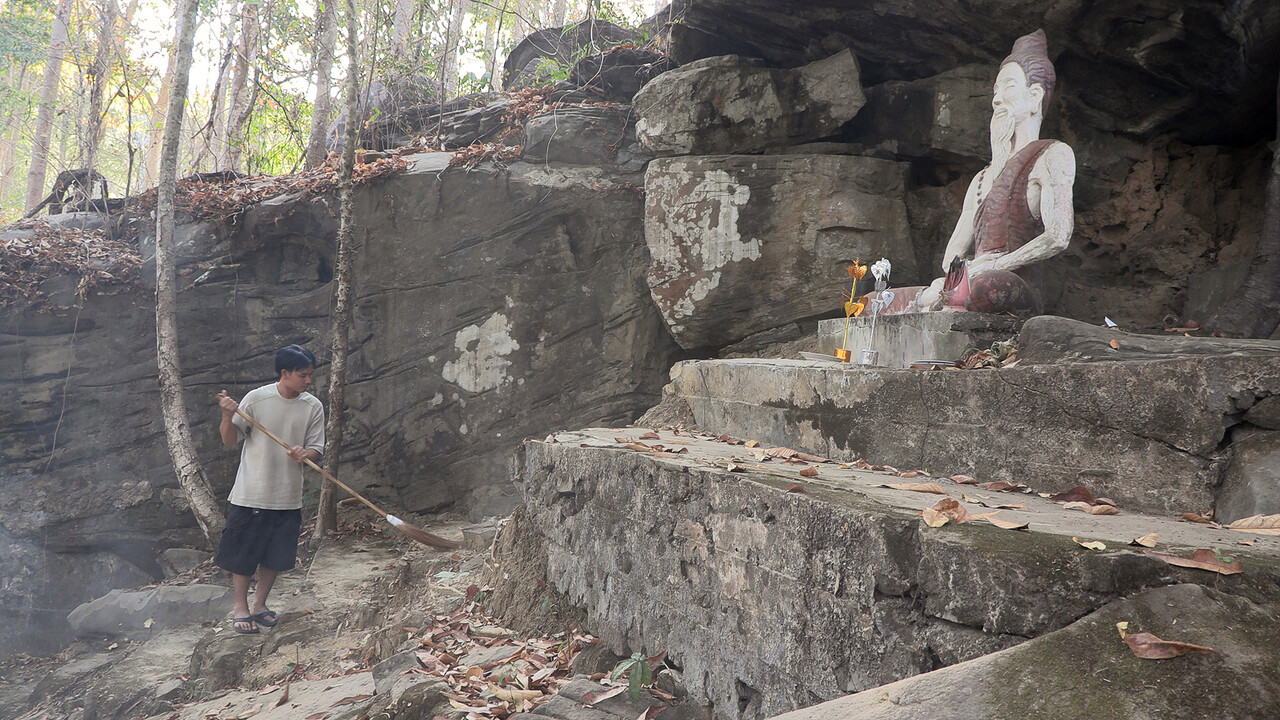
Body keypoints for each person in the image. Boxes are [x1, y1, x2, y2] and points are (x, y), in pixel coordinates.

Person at [886, 29, 1076, 316]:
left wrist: (999, 264)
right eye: (995, 91)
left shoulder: (1052, 154)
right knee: (880, 303)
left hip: (1011, 282)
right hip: (971, 279)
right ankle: (948, 299)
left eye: (1009, 88)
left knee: (986, 288)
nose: (997, 100)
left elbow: (1059, 236)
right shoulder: (981, 178)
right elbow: (953, 253)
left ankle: (955, 298)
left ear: (1035, 95)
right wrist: (961, 273)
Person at [215, 345, 325, 634]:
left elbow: (317, 447)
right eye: (303, 375)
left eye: (310, 375)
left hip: (287, 495)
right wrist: (227, 417)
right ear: (285, 373)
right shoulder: (256, 400)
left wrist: (306, 453)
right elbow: (230, 441)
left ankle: (259, 605)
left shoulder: (312, 406)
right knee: (244, 554)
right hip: (252, 491)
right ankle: (240, 607)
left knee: (275, 555)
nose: (308, 381)